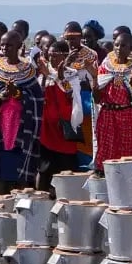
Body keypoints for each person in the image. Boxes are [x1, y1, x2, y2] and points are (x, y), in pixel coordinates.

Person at [0, 30, 44, 191]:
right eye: (3, 45)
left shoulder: (28, 70)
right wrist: (1, 95)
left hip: (21, 128)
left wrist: (18, 94)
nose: (5, 48)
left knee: (20, 170)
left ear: (20, 46)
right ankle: (1, 203)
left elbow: (37, 100)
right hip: (0, 128)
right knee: (1, 169)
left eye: (9, 45)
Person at [36, 39, 85, 190]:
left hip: (63, 130)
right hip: (46, 130)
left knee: (66, 170)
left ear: (64, 56)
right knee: (44, 169)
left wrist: (58, 76)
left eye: (56, 55)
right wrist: (45, 76)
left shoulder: (72, 74)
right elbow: (40, 93)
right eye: (50, 55)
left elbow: (70, 93)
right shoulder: (45, 72)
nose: (52, 59)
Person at [94, 31, 132, 166]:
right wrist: (95, 83)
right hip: (107, 115)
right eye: (116, 45)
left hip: (127, 115)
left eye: (123, 46)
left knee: (126, 155)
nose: (118, 48)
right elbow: (96, 98)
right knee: (105, 156)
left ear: (130, 49)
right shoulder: (105, 65)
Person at [62, 22, 98, 170]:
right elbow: (60, 77)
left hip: (85, 101)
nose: (71, 42)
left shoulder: (91, 54)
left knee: (86, 138)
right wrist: (67, 62)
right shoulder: (61, 52)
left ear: (81, 38)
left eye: (74, 38)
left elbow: (95, 77)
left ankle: (87, 167)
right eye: (68, 39)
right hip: (67, 100)